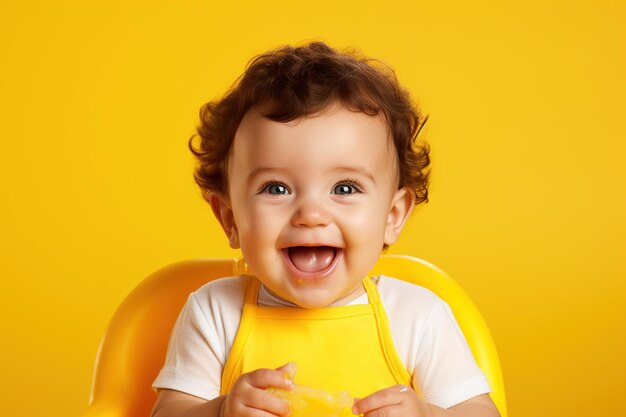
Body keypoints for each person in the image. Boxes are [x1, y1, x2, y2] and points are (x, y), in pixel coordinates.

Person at [151, 41, 500, 417]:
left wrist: (429, 414)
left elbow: (482, 411)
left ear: (392, 216)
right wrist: (221, 411)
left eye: (344, 188)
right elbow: (168, 411)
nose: (311, 215)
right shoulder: (215, 311)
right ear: (231, 219)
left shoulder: (418, 317)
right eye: (276, 188)